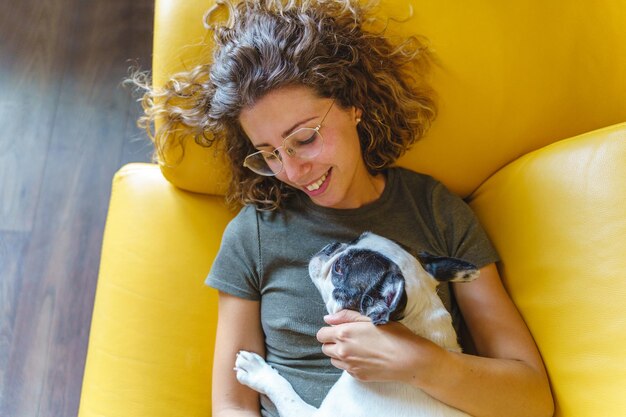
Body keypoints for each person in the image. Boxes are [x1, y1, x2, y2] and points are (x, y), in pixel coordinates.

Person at [132, 1, 554, 416]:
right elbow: (232, 405)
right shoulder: (254, 236)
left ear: (353, 105)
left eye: (305, 138)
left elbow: (531, 399)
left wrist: (420, 362)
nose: (293, 170)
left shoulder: (435, 212)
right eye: (269, 154)